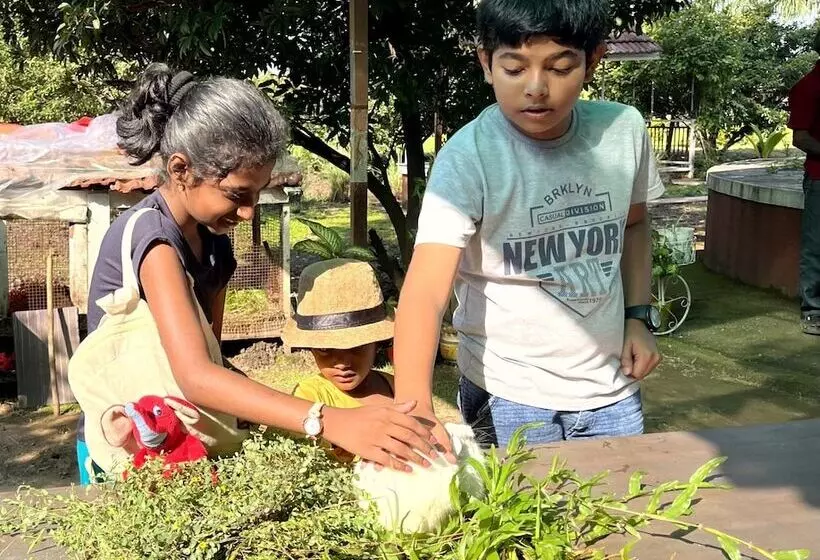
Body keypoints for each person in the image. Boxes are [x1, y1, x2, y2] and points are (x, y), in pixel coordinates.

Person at [75, 63, 440, 484]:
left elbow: (213, 361)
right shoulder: (153, 239)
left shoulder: (215, 248)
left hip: (188, 445)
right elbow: (195, 377)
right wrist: (325, 419)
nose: (248, 212)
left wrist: (283, 414)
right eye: (236, 195)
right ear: (180, 170)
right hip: (134, 446)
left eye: (257, 194)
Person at [393, 0, 664, 451]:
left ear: (593, 61)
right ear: (486, 63)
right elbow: (425, 291)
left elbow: (633, 227)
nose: (536, 88)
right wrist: (415, 406)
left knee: (620, 517)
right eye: (515, 69)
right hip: (509, 395)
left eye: (560, 68)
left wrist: (638, 318)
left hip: (612, 391)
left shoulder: (623, 131)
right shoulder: (468, 158)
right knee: (523, 520)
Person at [283, 259, 397, 461]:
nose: (342, 363)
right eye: (325, 350)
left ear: (377, 343)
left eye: (356, 348)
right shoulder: (309, 397)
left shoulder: (395, 388)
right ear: (311, 349)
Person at [787, 28, 820, 336]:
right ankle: (812, 311)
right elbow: (801, 137)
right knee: (815, 246)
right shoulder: (808, 87)